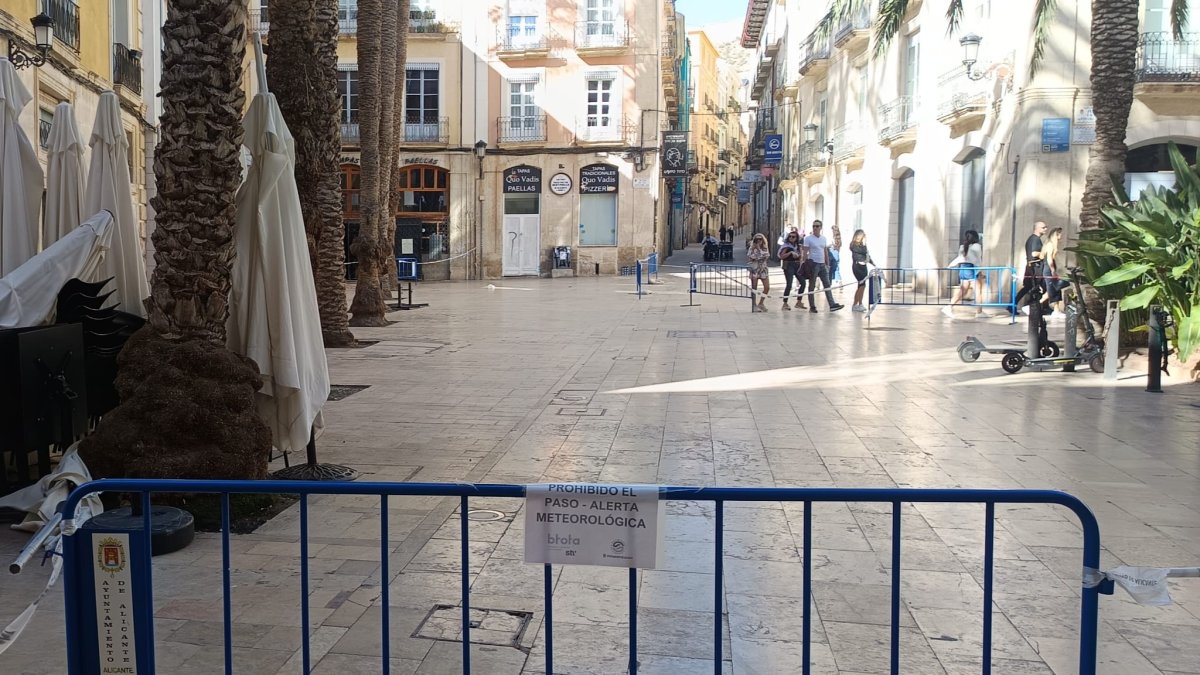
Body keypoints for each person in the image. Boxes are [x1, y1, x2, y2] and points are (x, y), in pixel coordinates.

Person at [802, 220, 844, 312]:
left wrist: (827, 264)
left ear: (821, 227)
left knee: (827, 285)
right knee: (812, 286)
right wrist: (804, 264)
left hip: (822, 265)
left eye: (817, 226)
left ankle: (832, 304)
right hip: (813, 264)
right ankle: (812, 306)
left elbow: (825, 251)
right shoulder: (808, 238)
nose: (815, 228)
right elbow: (805, 252)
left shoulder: (823, 238)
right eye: (813, 226)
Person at [942, 229, 985, 318]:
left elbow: (959, 258)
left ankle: (949, 306)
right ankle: (979, 312)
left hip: (963, 269)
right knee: (978, 292)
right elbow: (977, 260)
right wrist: (980, 271)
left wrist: (950, 265)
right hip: (972, 269)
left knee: (963, 291)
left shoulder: (963, 247)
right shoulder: (977, 246)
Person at [1015, 221, 1049, 313]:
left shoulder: (1033, 239)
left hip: (1033, 267)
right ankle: (1039, 307)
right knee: (1045, 286)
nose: (1045, 229)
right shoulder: (1035, 239)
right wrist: (1044, 253)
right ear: (1037, 228)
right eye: (1043, 227)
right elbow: (1034, 253)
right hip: (1035, 267)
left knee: (1030, 287)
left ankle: (1014, 304)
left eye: (1045, 227)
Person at [1041, 227, 1069, 316]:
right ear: (1056, 235)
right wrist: (1053, 270)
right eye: (1060, 234)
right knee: (1051, 291)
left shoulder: (1052, 244)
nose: (1061, 236)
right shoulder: (1050, 244)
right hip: (1049, 269)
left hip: (1051, 268)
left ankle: (1056, 310)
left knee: (1056, 289)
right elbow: (1049, 259)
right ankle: (1032, 306)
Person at [778, 230, 806, 311]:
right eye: (790, 236)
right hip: (788, 265)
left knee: (803, 283)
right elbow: (782, 256)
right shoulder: (786, 246)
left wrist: (800, 256)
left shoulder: (798, 246)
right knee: (789, 284)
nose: (791, 238)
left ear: (796, 238)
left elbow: (801, 256)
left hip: (797, 265)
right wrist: (790, 253)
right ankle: (785, 303)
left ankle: (799, 301)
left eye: (793, 237)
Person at [849, 229, 874, 312]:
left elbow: (867, 256)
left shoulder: (863, 246)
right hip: (857, 266)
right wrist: (864, 245)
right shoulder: (853, 245)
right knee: (862, 284)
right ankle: (859, 304)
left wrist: (873, 264)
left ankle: (856, 304)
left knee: (861, 285)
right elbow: (862, 252)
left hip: (863, 266)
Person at [747, 233, 771, 312]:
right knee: (754, 288)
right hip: (755, 270)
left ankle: (761, 303)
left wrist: (759, 251)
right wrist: (758, 253)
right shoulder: (751, 248)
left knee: (767, 287)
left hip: (763, 270)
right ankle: (754, 305)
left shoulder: (764, 247)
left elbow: (766, 255)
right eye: (756, 239)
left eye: (760, 239)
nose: (758, 241)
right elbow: (751, 256)